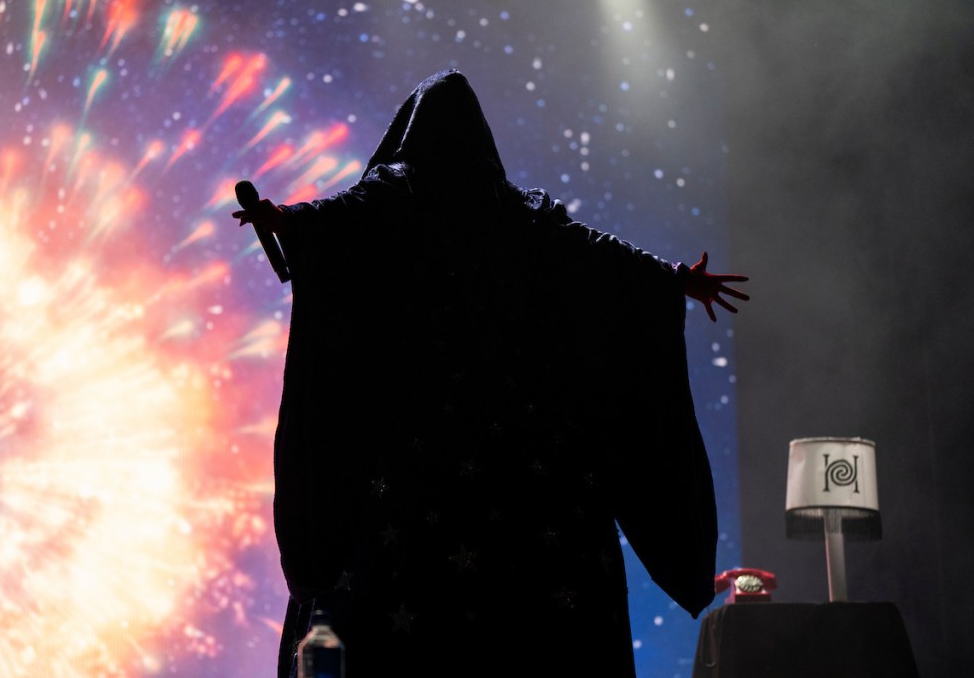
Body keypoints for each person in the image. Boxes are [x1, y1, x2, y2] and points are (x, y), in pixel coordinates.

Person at [233, 69, 748, 678]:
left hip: (413, 463)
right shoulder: (519, 215)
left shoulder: (400, 198)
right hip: (525, 464)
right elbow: (600, 259)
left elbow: (332, 223)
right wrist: (673, 278)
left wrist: (283, 219)